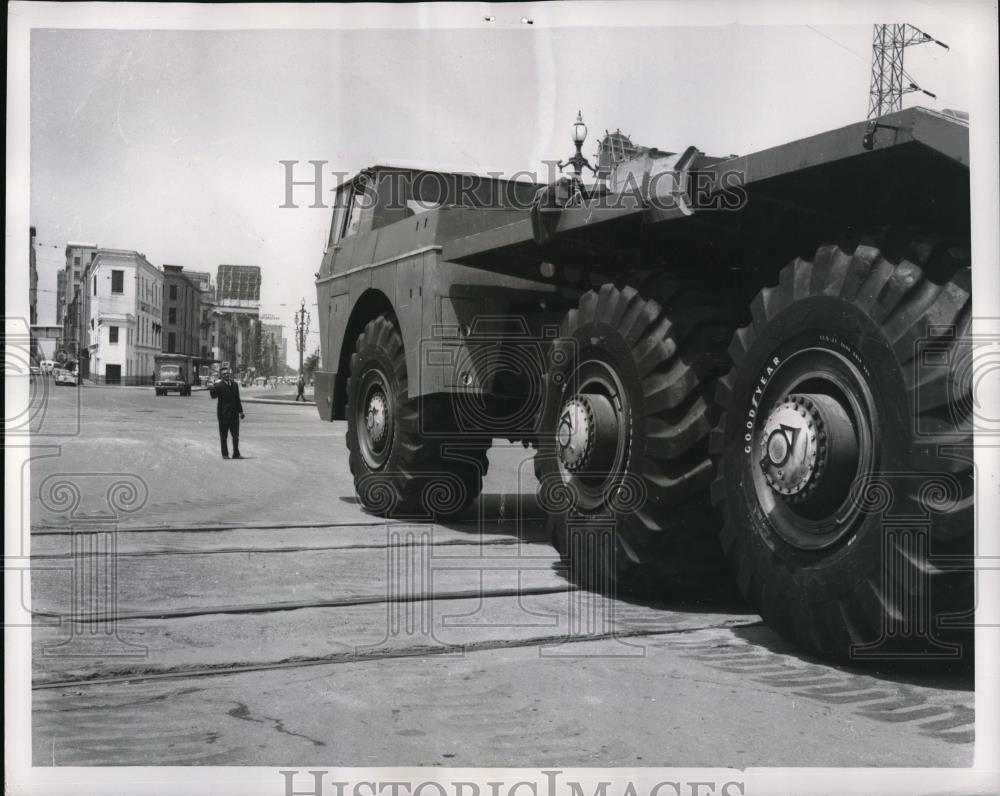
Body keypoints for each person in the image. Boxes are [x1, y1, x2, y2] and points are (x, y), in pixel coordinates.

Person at [209, 367, 245, 459]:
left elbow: (237, 399)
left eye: (228, 373)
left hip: (234, 415)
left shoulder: (235, 385)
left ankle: (236, 453)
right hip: (223, 415)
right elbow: (213, 396)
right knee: (223, 436)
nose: (226, 375)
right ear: (221, 375)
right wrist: (212, 387)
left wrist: (241, 412)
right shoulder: (218, 386)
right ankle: (225, 454)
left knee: (235, 436)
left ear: (230, 374)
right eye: (224, 374)